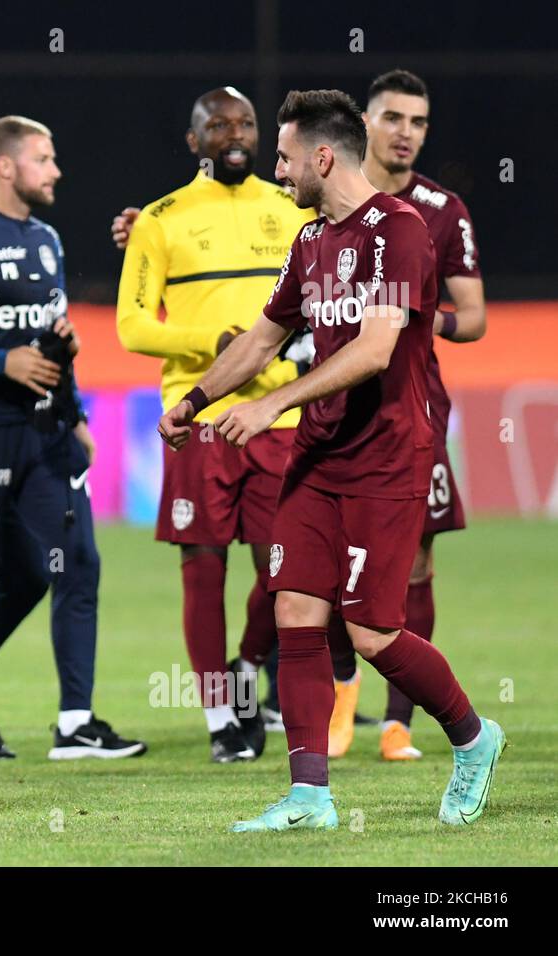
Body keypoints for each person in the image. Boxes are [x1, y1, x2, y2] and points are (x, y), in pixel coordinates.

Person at [159, 89, 504, 831]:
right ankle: (310, 796)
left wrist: (272, 405)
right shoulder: (311, 240)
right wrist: (195, 402)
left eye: (285, 158)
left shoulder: (399, 231)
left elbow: (377, 350)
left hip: (387, 457)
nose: (278, 171)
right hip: (319, 460)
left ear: (321, 156)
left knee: (373, 632)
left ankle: (475, 738)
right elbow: (261, 339)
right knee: (295, 613)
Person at [117, 87, 314, 761]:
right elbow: (132, 325)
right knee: (203, 567)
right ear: (193, 140)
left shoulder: (290, 209)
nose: (235, 133)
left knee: (282, 568)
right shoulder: (161, 219)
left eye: (246, 124)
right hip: (199, 417)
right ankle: (221, 721)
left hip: (280, 414)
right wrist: (216, 342)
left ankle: (248, 668)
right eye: (218, 125)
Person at [0, 115, 145, 761]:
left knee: (77, 561)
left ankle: (75, 723)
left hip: (47, 433)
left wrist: (75, 404)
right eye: (44, 159)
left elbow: (51, 333)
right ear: (6, 168)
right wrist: (4, 364)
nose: (56, 171)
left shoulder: (49, 239)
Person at [326, 69, 487, 761]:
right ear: (365, 121)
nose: (406, 133)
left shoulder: (442, 209)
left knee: (414, 559)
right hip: (332, 402)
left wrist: (420, 323)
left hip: (413, 407)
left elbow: (475, 317)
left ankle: (399, 724)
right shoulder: (332, 197)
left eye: (418, 122)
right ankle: (338, 704)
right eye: (394, 118)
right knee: (327, 558)